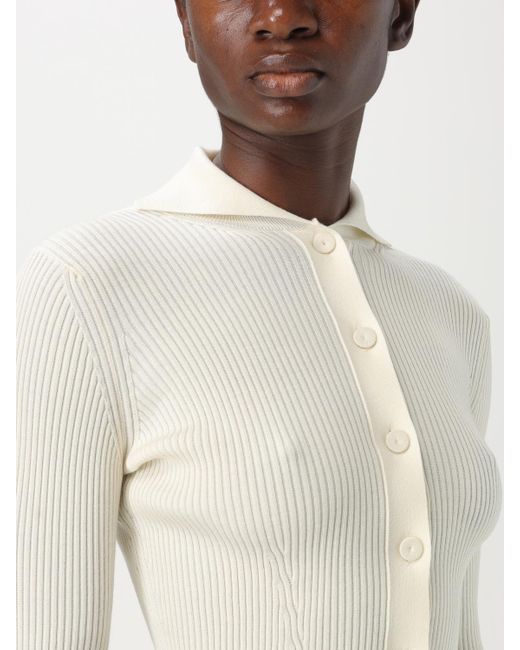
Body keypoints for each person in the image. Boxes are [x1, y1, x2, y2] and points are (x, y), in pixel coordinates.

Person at [17, 0, 502, 649]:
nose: (281, 14)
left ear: (402, 15)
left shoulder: (449, 313)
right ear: (186, 21)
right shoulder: (90, 285)